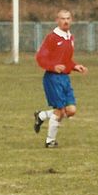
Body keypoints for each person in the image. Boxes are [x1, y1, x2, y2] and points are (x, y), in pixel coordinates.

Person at [32, 9, 88, 148]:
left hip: (65, 79)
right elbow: (40, 57)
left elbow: (66, 60)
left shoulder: (70, 37)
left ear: (71, 20)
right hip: (53, 79)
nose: (66, 21)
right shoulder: (52, 37)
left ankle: (42, 116)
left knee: (71, 110)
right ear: (57, 20)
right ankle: (50, 141)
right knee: (59, 111)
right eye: (63, 18)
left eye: (68, 18)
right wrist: (53, 66)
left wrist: (75, 66)